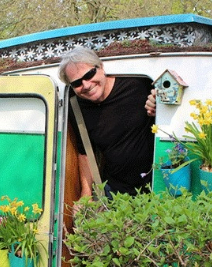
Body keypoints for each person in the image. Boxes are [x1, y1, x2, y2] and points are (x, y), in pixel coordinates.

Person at [58, 46, 157, 197]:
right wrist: (86, 194)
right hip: (117, 192)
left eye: (89, 74)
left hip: (156, 186)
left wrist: (157, 103)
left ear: (101, 67)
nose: (86, 85)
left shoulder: (137, 85)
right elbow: (85, 152)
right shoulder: (77, 108)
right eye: (77, 83)